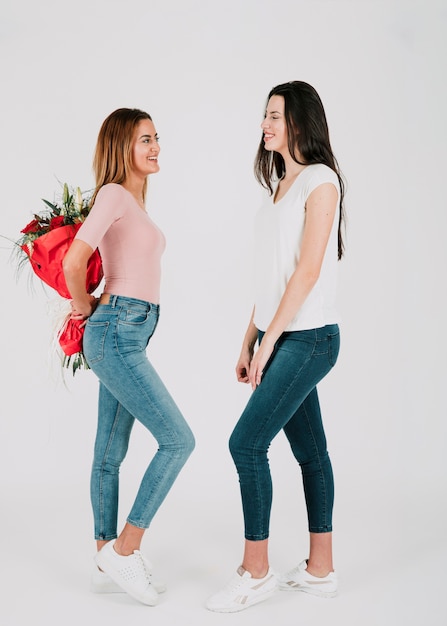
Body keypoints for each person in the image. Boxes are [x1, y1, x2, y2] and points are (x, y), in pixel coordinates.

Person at [205, 81, 346, 613]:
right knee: (310, 452)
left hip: (309, 338)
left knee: (245, 444)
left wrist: (271, 344)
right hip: (281, 334)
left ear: (299, 122)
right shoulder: (280, 188)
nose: (264, 125)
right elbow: (273, 278)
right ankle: (320, 570)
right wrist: (250, 339)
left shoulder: (320, 181)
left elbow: (308, 272)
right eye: (264, 116)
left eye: (274, 116)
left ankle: (255, 571)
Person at [63, 108, 195, 607]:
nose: (156, 146)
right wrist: (85, 311)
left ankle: (104, 559)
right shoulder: (114, 194)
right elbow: (77, 260)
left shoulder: (133, 204)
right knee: (178, 440)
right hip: (115, 331)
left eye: (157, 137)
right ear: (123, 147)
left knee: (109, 453)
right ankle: (126, 548)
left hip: (127, 334)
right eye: (145, 139)